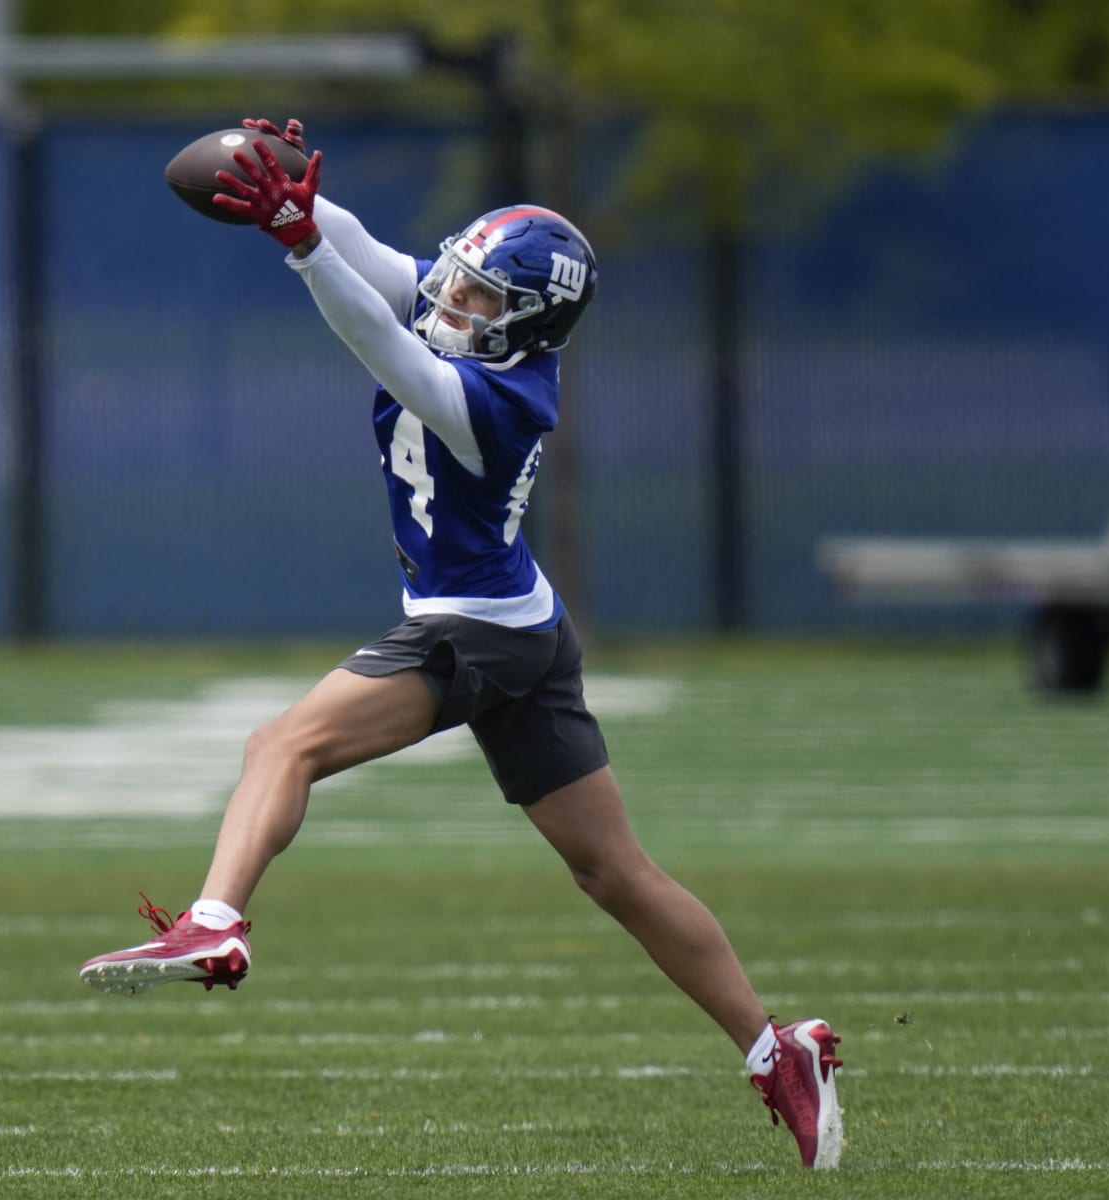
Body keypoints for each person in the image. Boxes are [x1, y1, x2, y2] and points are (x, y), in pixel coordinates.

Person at [79, 118, 845, 1169]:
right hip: (521, 625)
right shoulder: (469, 317)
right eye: (458, 282)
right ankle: (776, 1049)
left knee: (281, 745)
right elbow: (380, 264)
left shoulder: (501, 400)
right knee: (613, 873)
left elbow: (379, 342)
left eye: (480, 299)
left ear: (526, 326)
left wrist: (300, 247)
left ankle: (215, 918)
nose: (451, 302)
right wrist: (295, 196)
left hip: (473, 633)